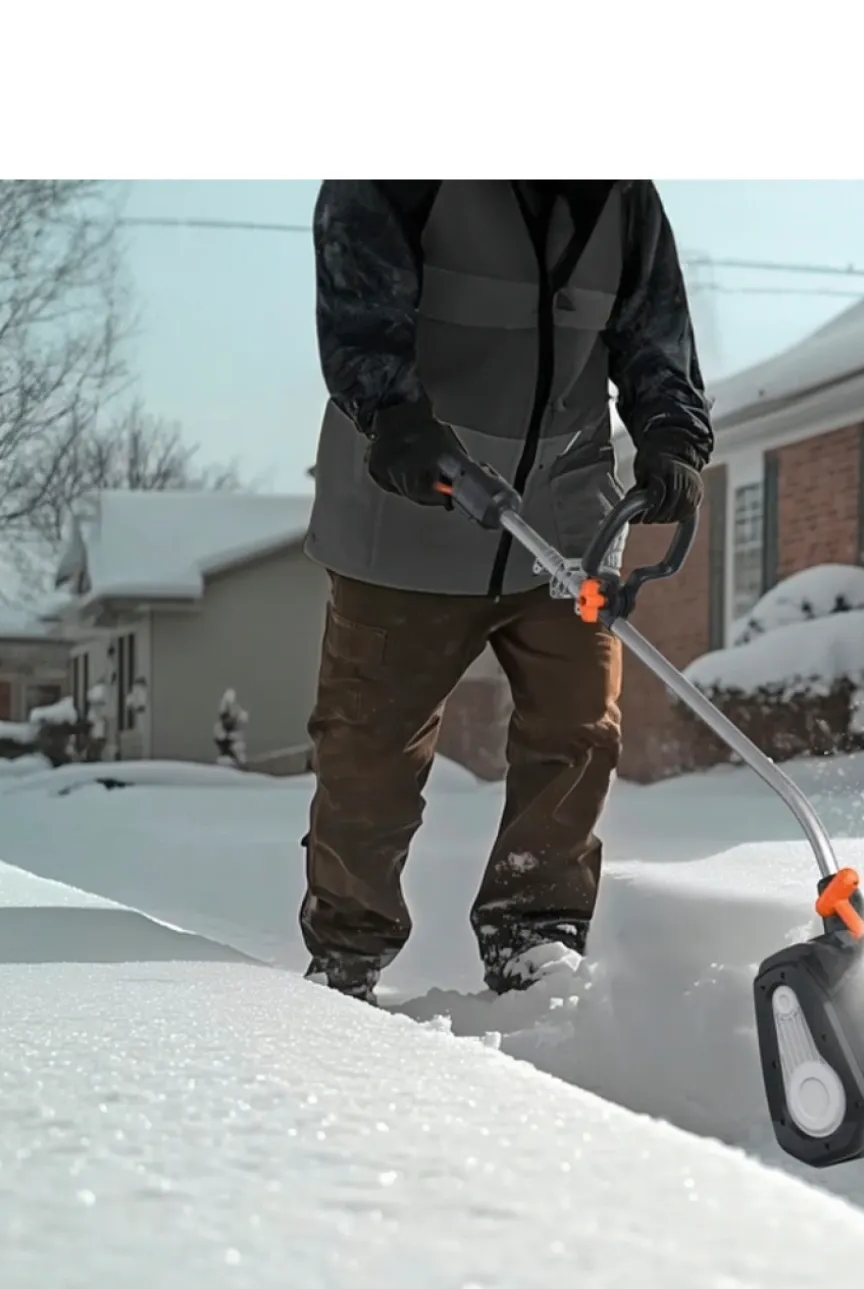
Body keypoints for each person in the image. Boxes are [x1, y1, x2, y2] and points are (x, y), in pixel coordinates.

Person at [299, 180, 713, 1003]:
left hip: (564, 523)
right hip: (410, 509)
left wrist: (673, 436)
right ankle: (346, 955)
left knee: (578, 730)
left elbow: (655, 337)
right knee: (370, 750)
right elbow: (360, 318)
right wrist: (395, 417)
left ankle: (535, 934)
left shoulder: (624, 198)